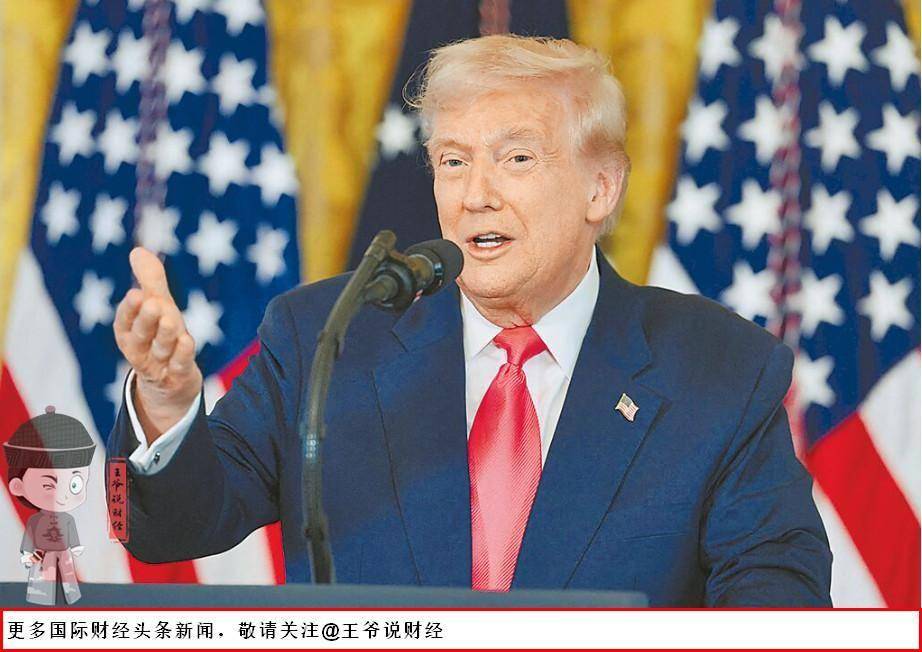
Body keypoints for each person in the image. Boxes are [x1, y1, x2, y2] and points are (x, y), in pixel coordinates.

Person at [107, 35, 832, 606]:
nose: (475, 194)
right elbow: (163, 528)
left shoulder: (718, 368)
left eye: (516, 158)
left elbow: (779, 598)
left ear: (600, 188)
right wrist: (165, 404)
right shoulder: (327, 337)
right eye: (452, 162)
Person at [4, 406, 95, 605]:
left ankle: (73, 598)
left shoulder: (67, 519)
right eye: (48, 485)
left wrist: (76, 547)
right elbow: (28, 540)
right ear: (18, 486)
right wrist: (27, 554)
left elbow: (72, 535)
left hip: (64, 554)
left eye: (74, 484)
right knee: (42, 581)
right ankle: (42, 601)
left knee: (69, 579)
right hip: (42, 555)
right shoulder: (35, 520)